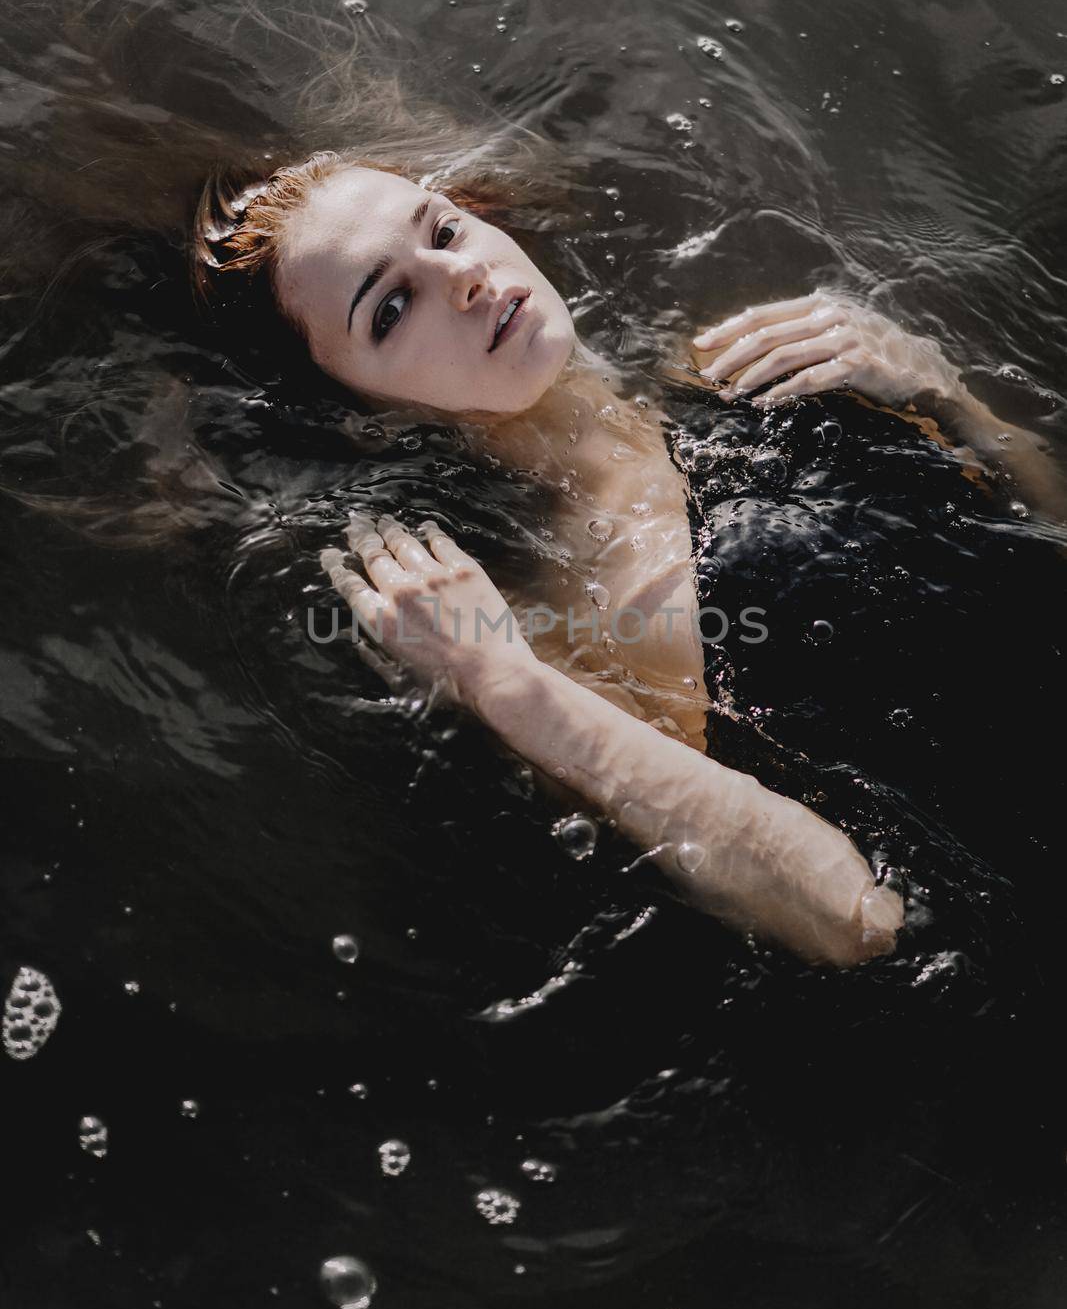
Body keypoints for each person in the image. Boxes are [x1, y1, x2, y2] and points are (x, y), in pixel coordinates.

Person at [191, 150, 1066, 971]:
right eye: (389, 308)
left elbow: (1039, 532)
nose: (459, 280)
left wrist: (944, 394)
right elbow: (862, 920)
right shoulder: (549, 633)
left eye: (444, 230)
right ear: (360, 416)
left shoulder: (742, 367)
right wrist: (504, 684)